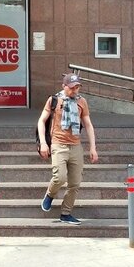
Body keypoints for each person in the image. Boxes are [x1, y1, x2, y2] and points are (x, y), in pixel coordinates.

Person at [37, 73, 99, 224]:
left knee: (75, 183)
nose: (74, 90)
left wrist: (93, 147)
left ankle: (66, 213)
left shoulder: (82, 102)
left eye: (77, 87)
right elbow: (41, 121)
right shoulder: (54, 100)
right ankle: (50, 195)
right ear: (64, 86)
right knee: (59, 177)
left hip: (76, 146)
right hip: (58, 144)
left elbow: (88, 124)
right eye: (72, 87)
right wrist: (44, 143)